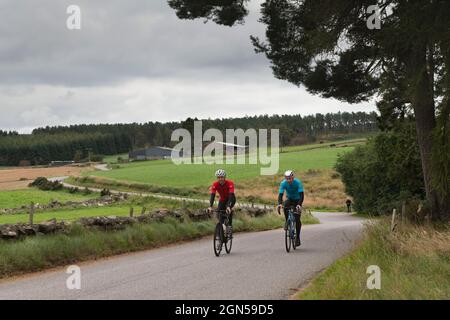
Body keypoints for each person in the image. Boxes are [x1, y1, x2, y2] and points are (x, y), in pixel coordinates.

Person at [277, 170, 304, 246]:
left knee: (297, 219)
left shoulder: (298, 183)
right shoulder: (283, 183)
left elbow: (302, 195)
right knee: (285, 206)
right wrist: (279, 204)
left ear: (293, 177)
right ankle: (287, 222)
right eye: (287, 178)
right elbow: (280, 194)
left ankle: (297, 238)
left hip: (298, 200)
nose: (288, 180)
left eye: (290, 178)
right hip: (290, 199)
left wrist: (299, 204)